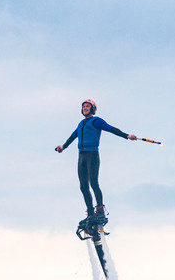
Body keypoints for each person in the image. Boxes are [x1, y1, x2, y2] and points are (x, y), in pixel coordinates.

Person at [55, 99, 137, 235]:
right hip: (81, 156)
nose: (85, 108)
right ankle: (91, 213)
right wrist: (63, 147)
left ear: (92, 109)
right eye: (83, 107)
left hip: (92, 155)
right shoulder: (81, 124)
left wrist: (126, 136)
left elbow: (112, 129)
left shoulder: (97, 121)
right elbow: (73, 136)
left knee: (93, 182)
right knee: (83, 186)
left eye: (87, 106)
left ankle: (100, 210)